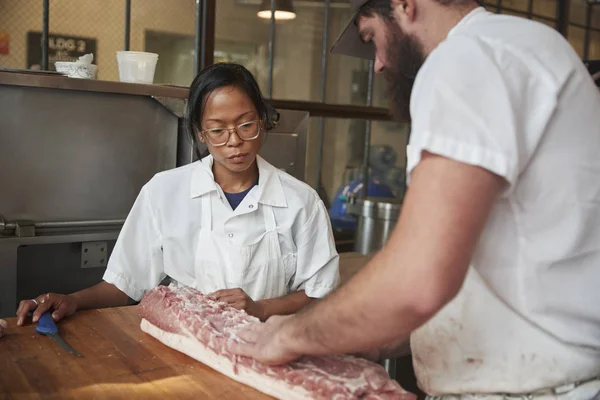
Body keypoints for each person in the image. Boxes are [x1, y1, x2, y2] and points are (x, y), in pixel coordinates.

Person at [229, 0, 600, 398]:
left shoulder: (466, 58)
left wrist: (290, 334)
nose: (378, 65)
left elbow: (416, 282)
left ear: (404, 5)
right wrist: (368, 329)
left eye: (372, 38)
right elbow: (497, 264)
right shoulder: (526, 45)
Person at [14, 63, 339, 327]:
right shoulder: (165, 191)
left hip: (270, 348)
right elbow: (125, 282)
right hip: (186, 346)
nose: (234, 141)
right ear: (200, 132)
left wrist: (260, 308)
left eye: (246, 125)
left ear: (262, 121)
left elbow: (319, 293)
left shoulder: (300, 201)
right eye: (218, 129)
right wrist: (73, 300)